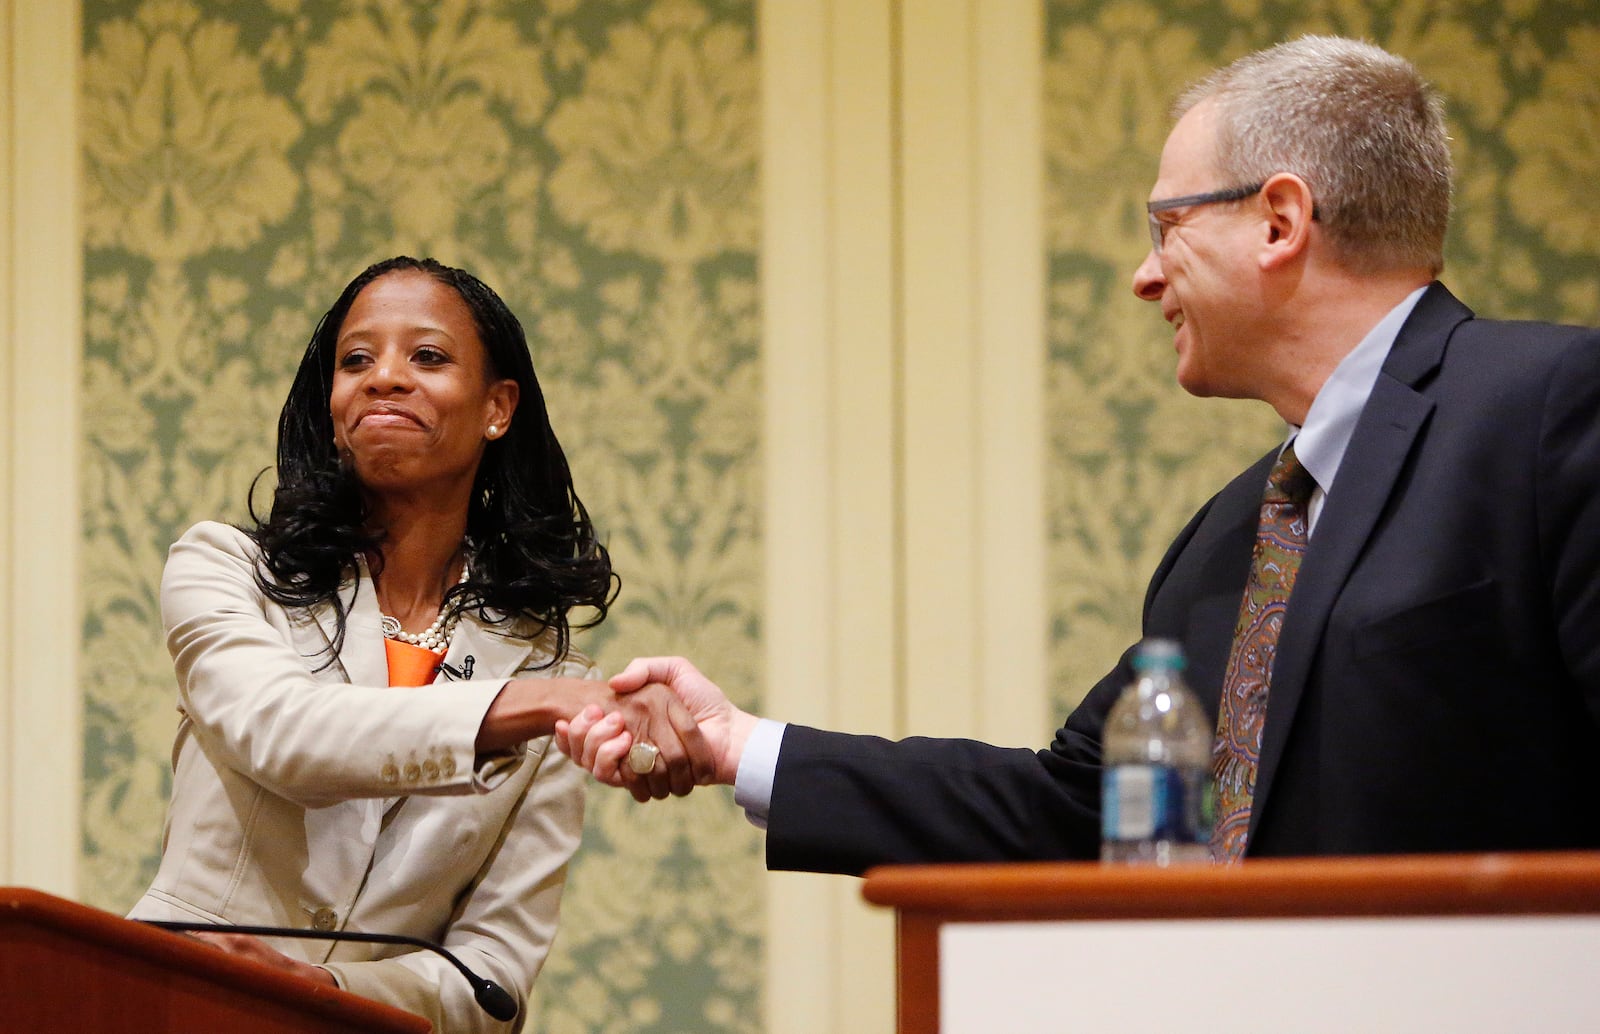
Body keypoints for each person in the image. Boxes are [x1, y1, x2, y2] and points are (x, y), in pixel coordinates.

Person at [558, 36, 1600, 874]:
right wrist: (739, 744)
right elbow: (1073, 809)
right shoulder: (1229, 536)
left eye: (1165, 227)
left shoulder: (1549, 407)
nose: (1144, 280)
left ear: (1278, 220)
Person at [128, 256, 706, 1032]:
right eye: (355, 360)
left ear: (499, 407)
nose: (384, 378)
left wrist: (325, 990)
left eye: (427, 357)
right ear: (331, 404)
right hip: (166, 1004)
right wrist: (535, 704)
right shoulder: (225, 568)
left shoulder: (549, 671)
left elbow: (491, 978)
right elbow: (282, 732)